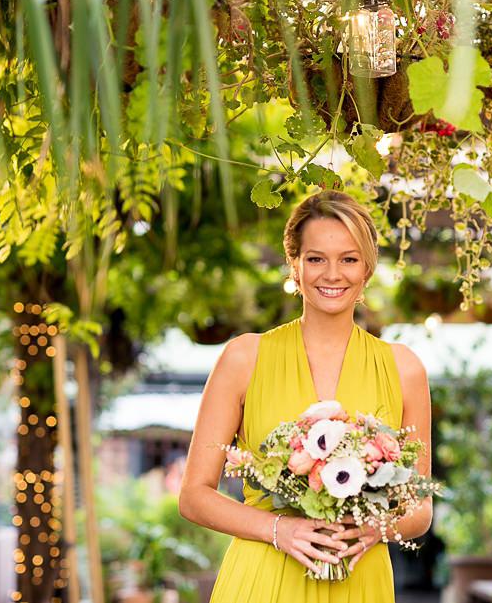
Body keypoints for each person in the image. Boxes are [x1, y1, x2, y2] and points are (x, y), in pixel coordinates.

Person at [179, 190, 433, 602]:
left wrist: (375, 529)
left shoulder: (404, 368)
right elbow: (194, 495)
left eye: (348, 259)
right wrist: (280, 530)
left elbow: (419, 508)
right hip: (262, 579)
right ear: (294, 265)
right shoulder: (244, 357)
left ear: (366, 267)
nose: (332, 273)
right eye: (316, 258)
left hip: (359, 579)